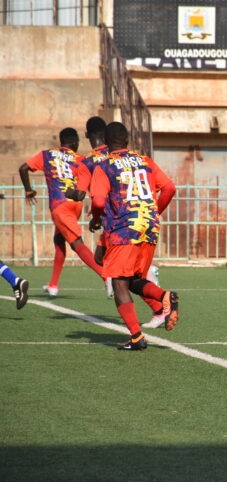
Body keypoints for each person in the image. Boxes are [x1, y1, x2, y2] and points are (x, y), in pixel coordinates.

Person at [87, 122, 179, 350]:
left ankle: (137, 337)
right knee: (134, 279)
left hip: (124, 228)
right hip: (149, 226)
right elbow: (169, 188)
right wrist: (154, 211)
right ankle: (164, 296)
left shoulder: (105, 166)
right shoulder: (145, 161)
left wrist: (96, 219)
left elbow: (98, 201)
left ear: (105, 143)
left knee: (119, 282)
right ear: (127, 140)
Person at [18, 127, 103, 297]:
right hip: (75, 204)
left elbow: (23, 168)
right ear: (73, 142)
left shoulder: (47, 155)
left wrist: (28, 190)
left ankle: (106, 276)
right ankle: (53, 285)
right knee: (59, 239)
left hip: (60, 205)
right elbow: (93, 180)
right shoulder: (80, 159)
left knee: (77, 244)